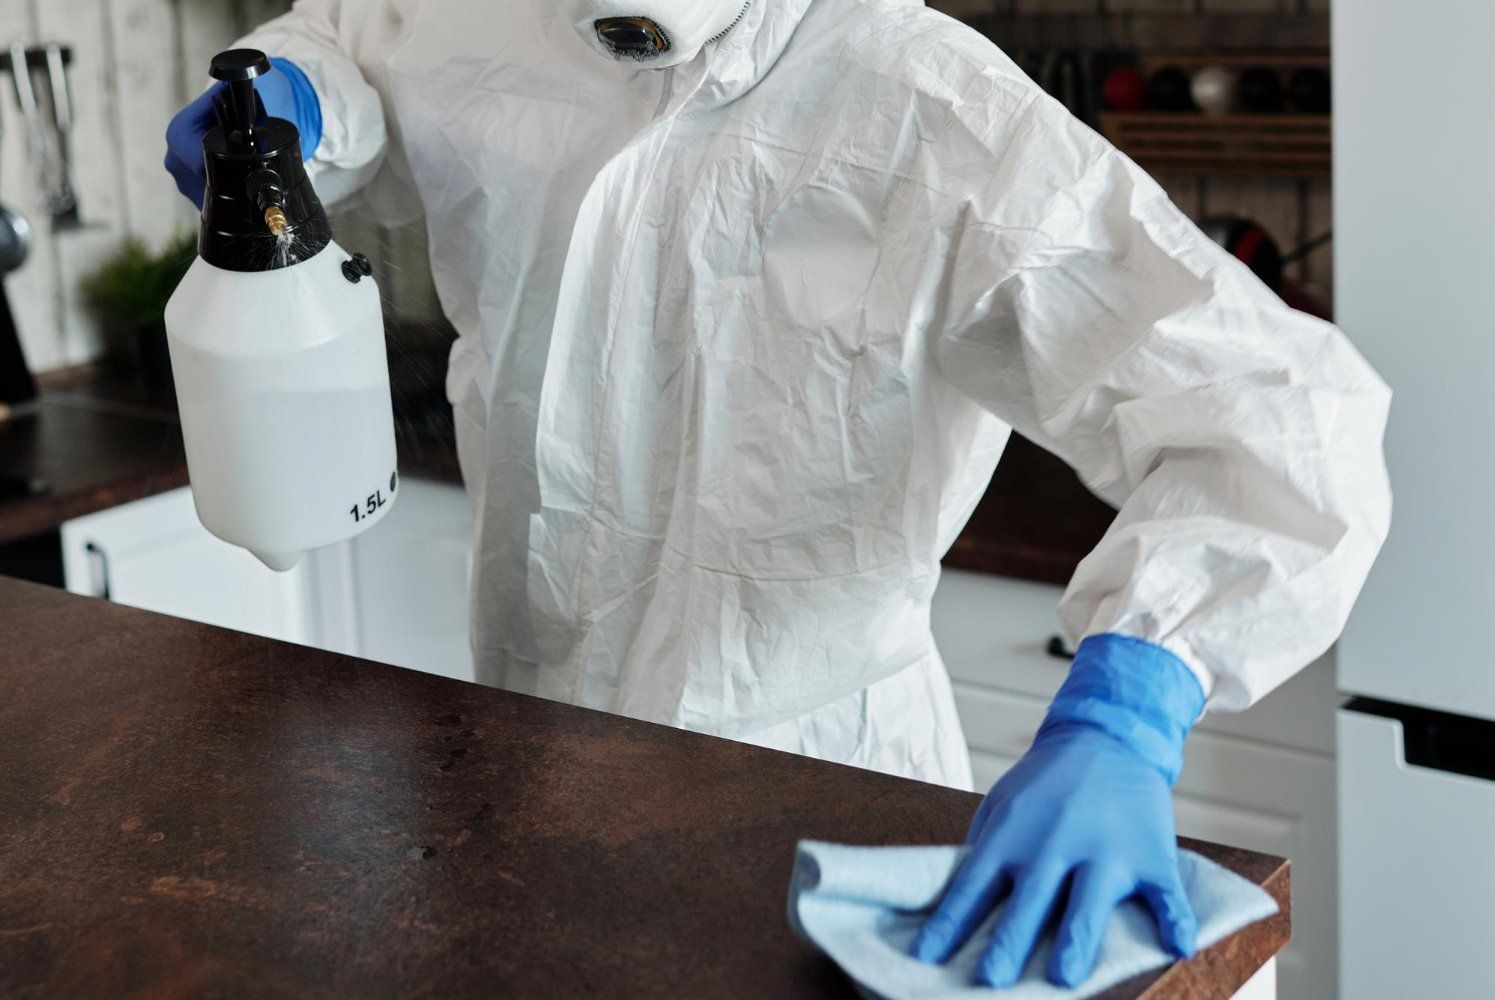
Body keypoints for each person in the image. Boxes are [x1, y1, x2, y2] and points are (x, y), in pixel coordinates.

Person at [165, 0, 1392, 987]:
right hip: (527, 752)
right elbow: (354, 53)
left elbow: (1280, 411)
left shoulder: (921, 100)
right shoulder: (480, 17)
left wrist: (1130, 707)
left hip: (826, 782)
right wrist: (291, 94)